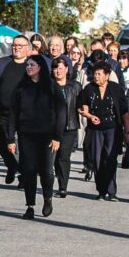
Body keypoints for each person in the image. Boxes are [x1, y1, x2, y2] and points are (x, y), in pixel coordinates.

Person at [6, 57, 64, 219]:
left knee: (46, 170)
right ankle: (30, 206)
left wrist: (57, 137)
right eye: (27, 65)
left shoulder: (52, 87)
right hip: (27, 135)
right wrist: (10, 138)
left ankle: (47, 198)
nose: (28, 67)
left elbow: (61, 112)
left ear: (41, 67)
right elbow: (13, 114)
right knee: (29, 170)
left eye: (32, 65)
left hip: (48, 136)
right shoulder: (21, 87)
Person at [0, 35, 31, 184]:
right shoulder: (2, 63)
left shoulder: (31, 65)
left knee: (25, 148)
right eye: (15, 45)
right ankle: (11, 165)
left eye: (20, 45)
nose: (16, 48)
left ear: (27, 48)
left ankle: (24, 176)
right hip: (5, 113)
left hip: (25, 114)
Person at [78, 62, 126, 202]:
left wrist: (127, 130)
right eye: (95, 74)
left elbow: (123, 109)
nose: (96, 76)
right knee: (97, 159)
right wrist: (90, 116)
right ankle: (101, 190)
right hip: (95, 130)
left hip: (112, 128)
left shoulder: (115, 88)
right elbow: (81, 107)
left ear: (107, 75)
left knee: (110, 158)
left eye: (99, 74)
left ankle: (111, 191)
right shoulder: (88, 89)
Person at [52, 58, 81, 197]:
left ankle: (63, 187)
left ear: (67, 69)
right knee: (55, 158)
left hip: (69, 126)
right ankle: (58, 177)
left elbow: (81, 104)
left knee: (64, 156)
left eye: (61, 68)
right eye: (55, 68)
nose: (58, 71)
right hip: (51, 127)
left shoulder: (75, 86)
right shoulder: (48, 86)